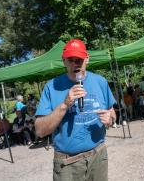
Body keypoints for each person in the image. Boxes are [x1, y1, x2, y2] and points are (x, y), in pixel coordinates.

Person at [35, 39, 116, 181]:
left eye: (78, 60)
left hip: (98, 156)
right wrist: (65, 104)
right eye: (70, 60)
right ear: (64, 61)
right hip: (67, 164)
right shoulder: (51, 87)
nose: (75, 64)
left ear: (87, 59)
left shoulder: (100, 81)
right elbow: (40, 130)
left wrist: (110, 119)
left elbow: (112, 112)